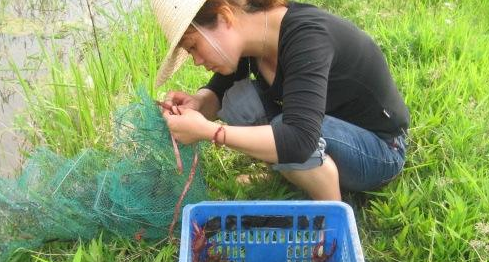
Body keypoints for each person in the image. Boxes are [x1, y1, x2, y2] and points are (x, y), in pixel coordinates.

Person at [150, 0, 409, 200]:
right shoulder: (251, 39)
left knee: (287, 130)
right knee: (240, 101)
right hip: (321, 129)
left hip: (379, 149)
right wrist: (196, 104)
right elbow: (219, 91)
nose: (196, 60)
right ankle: (291, 171)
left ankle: (328, 211)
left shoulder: (307, 38)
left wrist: (209, 131)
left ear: (225, 17)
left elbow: (298, 139)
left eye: (194, 46)